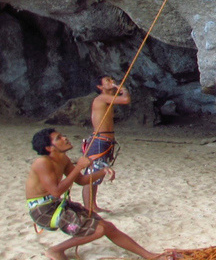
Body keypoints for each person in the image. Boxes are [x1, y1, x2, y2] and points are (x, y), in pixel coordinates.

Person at [25, 128, 159, 260]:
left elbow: (81, 180)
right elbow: (56, 191)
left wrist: (103, 171)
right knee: (98, 230)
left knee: (107, 227)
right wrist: (79, 167)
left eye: (62, 135)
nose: (65, 138)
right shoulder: (42, 163)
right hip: (43, 211)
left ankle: (149, 256)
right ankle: (55, 250)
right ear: (49, 148)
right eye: (58, 138)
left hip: (55, 205)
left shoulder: (63, 159)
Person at [82, 76, 130, 213]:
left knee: (97, 174)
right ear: (100, 87)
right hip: (99, 140)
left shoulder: (107, 100)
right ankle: (88, 207)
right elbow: (126, 99)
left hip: (104, 140)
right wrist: (122, 89)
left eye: (112, 79)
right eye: (107, 81)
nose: (112, 81)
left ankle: (93, 205)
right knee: (92, 174)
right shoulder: (102, 98)